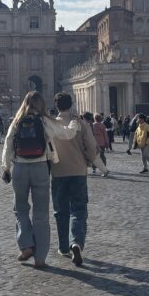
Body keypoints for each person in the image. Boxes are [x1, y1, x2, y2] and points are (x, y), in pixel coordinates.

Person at [1, 91, 81, 268]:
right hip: (40, 168)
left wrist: (5, 168)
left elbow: (7, 144)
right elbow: (67, 134)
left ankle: (26, 245)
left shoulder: (17, 120)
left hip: (20, 168)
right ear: (41, 104)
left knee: (20, 209)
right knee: (41, 214)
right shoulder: (45, 121)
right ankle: (40, 258)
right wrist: (75, 121)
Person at [49, 93, 99, 267]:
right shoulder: (82, 124)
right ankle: (76, 242)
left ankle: (64, 247)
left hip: (58, 172)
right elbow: (92, 147)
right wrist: (88, 161)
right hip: (78, 171)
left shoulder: (51, 124)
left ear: (56, 106)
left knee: (60, 210)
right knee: (78, 209)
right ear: (71, 105)